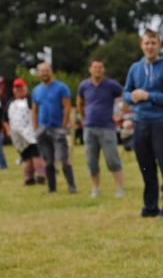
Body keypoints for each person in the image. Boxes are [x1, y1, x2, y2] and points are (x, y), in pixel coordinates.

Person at [123, 29, 163, 218]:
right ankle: (150, 207)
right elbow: (125, 92)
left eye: (153, 43)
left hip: (162, 123)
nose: (150, 46)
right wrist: (131, 96)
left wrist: (149, 96)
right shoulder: (135, 68)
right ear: (141, 45)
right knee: (146, 167)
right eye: (146, 43)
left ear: (159, 45)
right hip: (140, 123)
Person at [77, 59, 125, 198]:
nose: (97, 70)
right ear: (90, 69)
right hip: (89, 128)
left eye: (100, 67)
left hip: (107, 128)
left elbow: (125, 96)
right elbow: (80, 102)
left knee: (112, 159)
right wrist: (84, 118)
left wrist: (120, 113)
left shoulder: (111, 85)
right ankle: (95, 189)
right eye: (95, 67)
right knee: (91, 161)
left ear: (103, 70)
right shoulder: (84, 86)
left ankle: (119, 189)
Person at [32, 63, 77, 193]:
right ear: (38, 73)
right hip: (42, 129)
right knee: (48, 160)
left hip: (57, 128)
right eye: (41, 71)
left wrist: (63, 125)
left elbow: (67, 107)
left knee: (63, 158)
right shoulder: (36, 90)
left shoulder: (61, 88)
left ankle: (71, 186)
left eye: (46, 70)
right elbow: (34, 110)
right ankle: (52, 188)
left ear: (51, 71)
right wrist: (35, 126)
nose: (44, 73)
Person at [2, 79, 46, 184]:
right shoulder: (10, 103)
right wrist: (8, 130)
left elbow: (38, 113)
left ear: (25, 88)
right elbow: (5, 119)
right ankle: (29, 178)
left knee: (36, 154)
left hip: (32, 133)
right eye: (17, 88)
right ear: (13, 90)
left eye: (21, 87)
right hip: (18, 136)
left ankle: (40, 175)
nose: (19, 90)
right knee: (26, 157)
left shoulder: (31, 99)